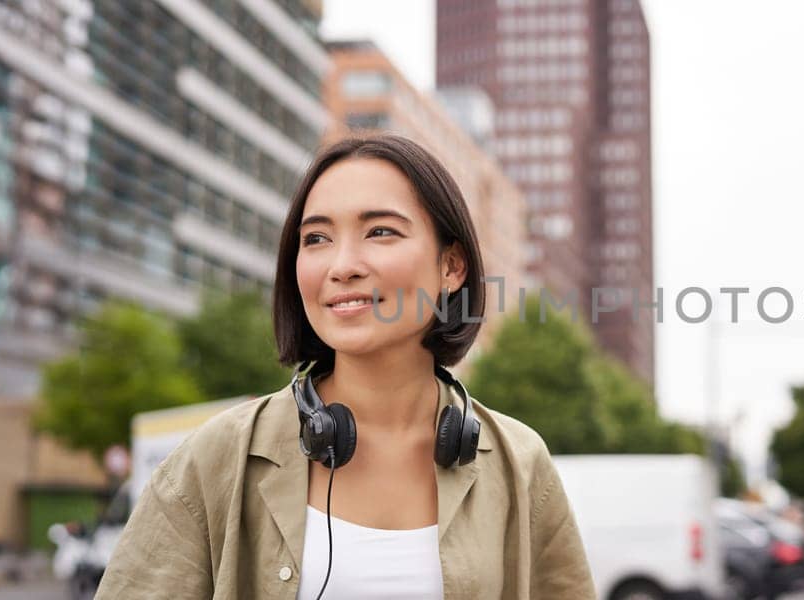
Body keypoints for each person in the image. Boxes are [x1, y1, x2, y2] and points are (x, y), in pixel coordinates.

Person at [96, 134, 595, 599]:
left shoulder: (520, 465)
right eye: (316, 239)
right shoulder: (217, 458)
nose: (342, 265)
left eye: (380, 231)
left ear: (452, 267)